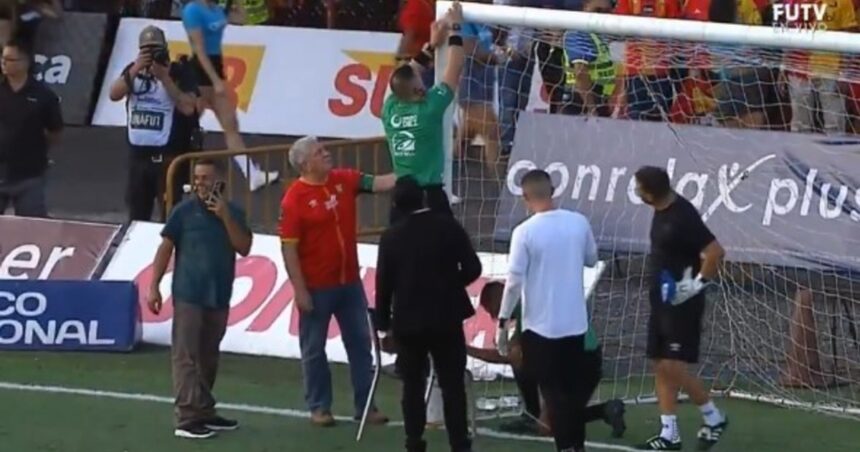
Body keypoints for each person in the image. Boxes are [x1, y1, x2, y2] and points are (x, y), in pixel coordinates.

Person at [279, 135, 395, 427]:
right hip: (316, 287)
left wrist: (413, 167)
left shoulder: (344, 180)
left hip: (349, 283)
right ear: (305, 164)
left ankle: (366, 405)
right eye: (320, 152)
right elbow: (289, 248)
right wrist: (300, 289)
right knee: (314, 349)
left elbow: (380, 183)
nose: (327, 154)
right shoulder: (294, 199)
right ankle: (319, 406)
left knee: (360, 345)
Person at [146, 158, 252, 440]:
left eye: (206, 177)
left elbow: (244, 247)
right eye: (197, 177)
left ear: (220, 181)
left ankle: (204, 410)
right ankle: (187, 416)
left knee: (208, 355)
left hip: (218, 293)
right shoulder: (183, 212)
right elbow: (165, 248)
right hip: (189, 292)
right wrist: (153, 285)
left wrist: (225, 216)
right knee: (186, 355)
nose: (200, 183)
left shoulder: (234, 212)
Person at [375, 176, 482, 452]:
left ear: (396, 203)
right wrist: (449, 284)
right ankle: (459, 443)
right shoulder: (448, 227)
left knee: (412, 384)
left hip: (408, 320)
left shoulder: (391, 236)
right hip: (446, 317)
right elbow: (473, 267)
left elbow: (383, 286)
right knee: (452, 385)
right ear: (423, 199)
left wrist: (383, 326)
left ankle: (414, 441)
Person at [495, 169, 599, 452]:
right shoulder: (578, 222)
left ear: (525, 197)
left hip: (541, 328)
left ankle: (566, 448)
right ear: (552, 191)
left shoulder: (524, 232)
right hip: (575, 326)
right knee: (570, 394)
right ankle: (576, 447)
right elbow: (592, 259)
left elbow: (514, 282)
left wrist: (502, 323)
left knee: (553, 395)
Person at [632, 166, 727, 451]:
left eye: (639, 188)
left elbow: (715, 252)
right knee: (660, 364)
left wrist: (696, 285)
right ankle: (669, 433)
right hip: (661, 301)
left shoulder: (683, 216)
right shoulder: (661, 210)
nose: (636, 192)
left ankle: (713, 416)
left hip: (682, 304)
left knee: (674, 367)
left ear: (650, 193)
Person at [468, 280, 626, 439]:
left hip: (578, 364)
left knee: (548, 427)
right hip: (587, 359)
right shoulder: (530, 304)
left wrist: (465, 349)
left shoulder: (529, 312)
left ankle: (601, 411)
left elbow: (511, 356)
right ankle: (536, 415)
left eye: (491, 310)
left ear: (501, 299)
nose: (493, 317)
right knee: (521, 363)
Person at [382, 0, 464, 224]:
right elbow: (455, 66)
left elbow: (406, 73)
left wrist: (431, 45)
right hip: (429, 195)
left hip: (402, 195)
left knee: (399, 244)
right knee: (446, 243)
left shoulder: (389, 108)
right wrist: (456, 28)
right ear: (419, 90)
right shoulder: (429, 109)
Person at [181, 0, 278, 191]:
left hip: (217, 65)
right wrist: (215, 80)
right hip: (201, 69)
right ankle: (182, 175)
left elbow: (242, 19)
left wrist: (239, 3)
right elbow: (199, 49)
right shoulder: (192, 10)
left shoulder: (216, 8)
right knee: (188, 127)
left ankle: (252, 174)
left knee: (231, 124)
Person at [109, 25, 201, 222]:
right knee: (137, 215)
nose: (151, 55)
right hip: (138, 158)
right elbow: (114, 94)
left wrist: (165, 78)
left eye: (155, 50)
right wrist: (136, 68)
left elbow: (188, 107)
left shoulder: (179, 72)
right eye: (146, 50)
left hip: (167, 157)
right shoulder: (133, 73)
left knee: (171, 215)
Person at [0, 38, 62, 217]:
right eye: (3, 58)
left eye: (10, 60)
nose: (4, 63)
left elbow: (55, 131)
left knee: (33, 224)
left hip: (29, 175)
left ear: (25, 62)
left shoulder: (43, 95)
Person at [561, 0, 617, 117]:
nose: (601, 16)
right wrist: (591, 109)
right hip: (581, 102)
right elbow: (580, 73)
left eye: (606, 12)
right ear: (585, 6)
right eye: (597, 10)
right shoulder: (579, 32)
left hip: (598, 99)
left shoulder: (597, 34)